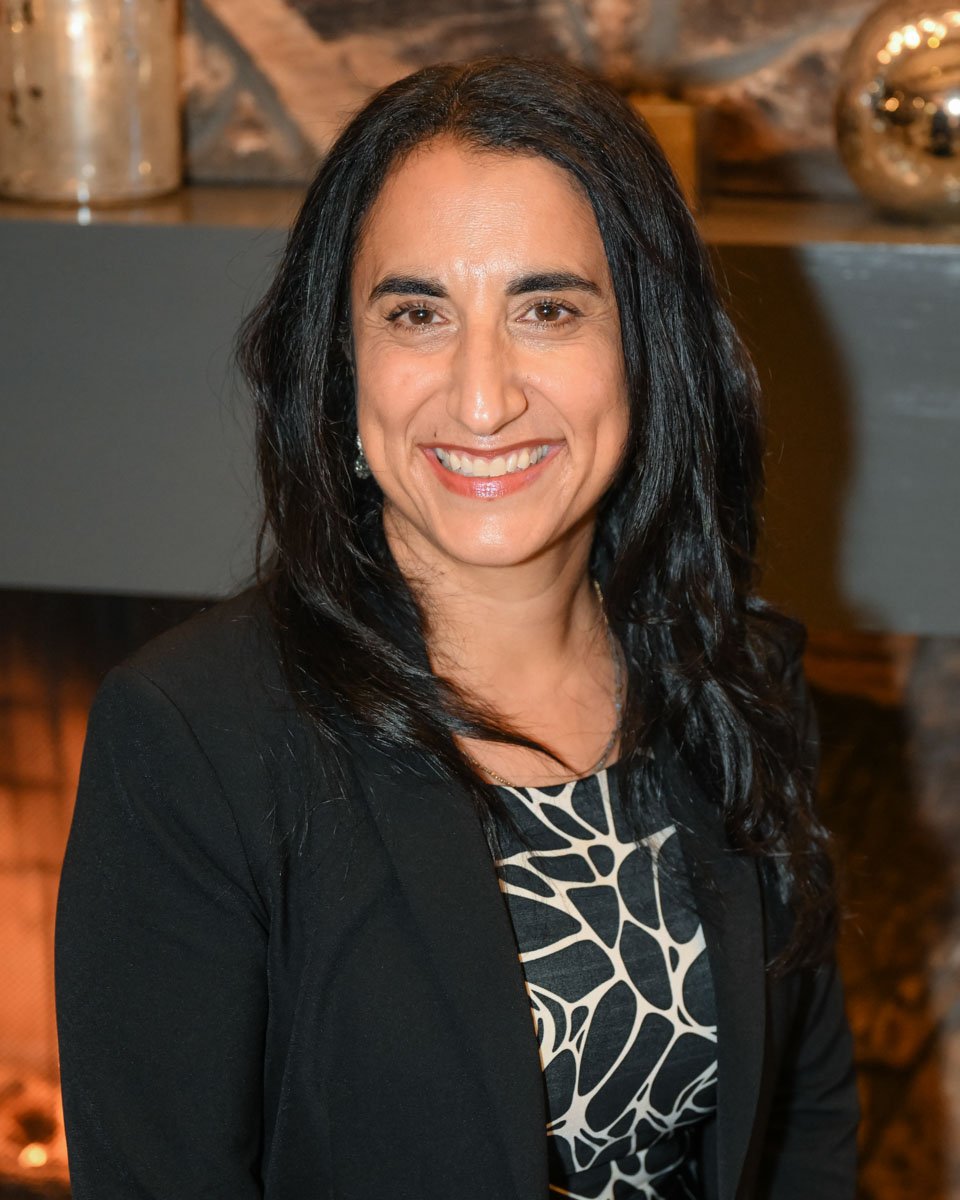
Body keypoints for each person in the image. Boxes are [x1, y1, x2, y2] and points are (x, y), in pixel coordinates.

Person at [54, 55, 859, 1200]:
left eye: (547, 308)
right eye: (418, 313)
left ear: (645, 347)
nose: (482, 399)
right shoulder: (193, 740)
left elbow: (800, 1127)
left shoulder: (737, 683)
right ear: (342, 367)